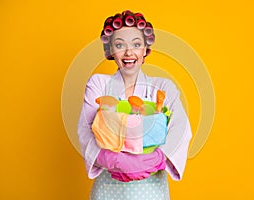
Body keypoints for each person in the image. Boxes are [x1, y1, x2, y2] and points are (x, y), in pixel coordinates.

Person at [77, 10, 192, 200]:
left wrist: (157, 158)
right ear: (110, 50)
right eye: (120, 45)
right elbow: (85, 129)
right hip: (109, 188)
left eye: (136, 44)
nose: (129, 52)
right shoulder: (99, 84)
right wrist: (111, 159)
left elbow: (181, 127)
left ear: (145, 49)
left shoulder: (163, 87)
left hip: (152, 189)